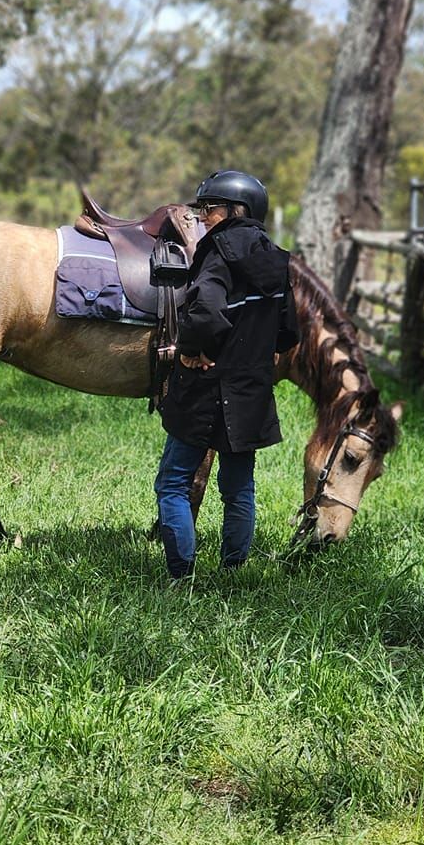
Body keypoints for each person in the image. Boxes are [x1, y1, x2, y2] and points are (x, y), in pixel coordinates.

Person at [154, 169, 298, 579]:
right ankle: (233, 572)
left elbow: (205, 315)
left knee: (173, 483)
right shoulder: (275, 257)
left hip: (204, 387)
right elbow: (288, 331)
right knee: (238, 489)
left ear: (238, 209)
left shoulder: (216, 250)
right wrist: (258, 353)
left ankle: (181, 576)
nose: (202, 217)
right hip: (251, 391)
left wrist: (191, 352)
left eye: (209, 208)